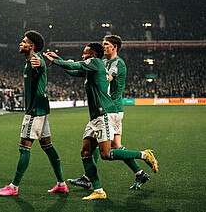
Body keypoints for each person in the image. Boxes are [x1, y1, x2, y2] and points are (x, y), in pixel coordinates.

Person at [43, 42, 158, 200]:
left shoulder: (96, 62)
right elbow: (73, 69)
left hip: (104, 113)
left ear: (93, 55)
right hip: (96, 116)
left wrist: (55, 60)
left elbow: (76, 64)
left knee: (106, 154)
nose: (83, 56)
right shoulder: (94, 66)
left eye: (85, 53)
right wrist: (59, 60)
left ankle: (144, 155)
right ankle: (98, 189)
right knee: (85, 151)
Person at [68, 35, 150, 190]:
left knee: (104, 145)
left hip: (112, 109)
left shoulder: (117, 63)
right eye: (103, 44)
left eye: (106, 44)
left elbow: (107, 78)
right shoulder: (103, 62)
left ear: (115, 47)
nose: (103, 46)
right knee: (114, 146)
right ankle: (139, 173)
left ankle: (89, 178)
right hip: (108, 109)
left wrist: (87, 67)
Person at [0, 30, 68, 196]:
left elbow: (40, 63)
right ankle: (61, 183)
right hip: (42, 110)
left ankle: (13, 187)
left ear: (31, 46)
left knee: (24, 148)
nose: (21, 43)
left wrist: (40, 61)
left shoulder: (35, 59)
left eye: (24, 41)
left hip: (35, 111)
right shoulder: (30, 60)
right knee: (48, 147)